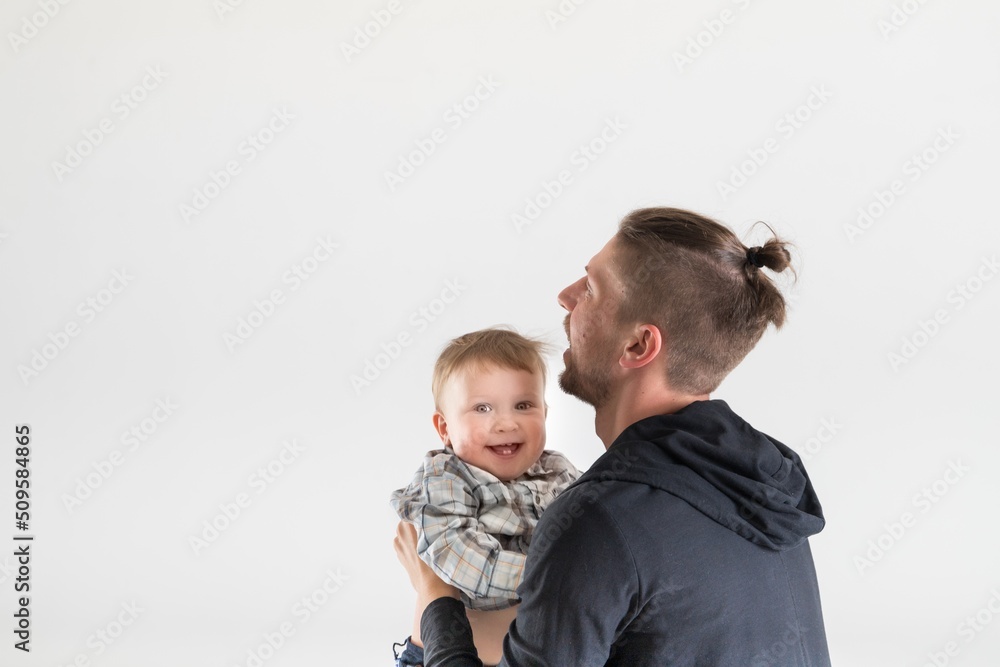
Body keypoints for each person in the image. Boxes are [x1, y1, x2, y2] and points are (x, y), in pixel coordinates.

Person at [394, 207, 832, 666]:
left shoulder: (598, 520)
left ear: (638, 345)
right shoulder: (762, 488)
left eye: (590, 289)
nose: (565, 297)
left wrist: (434, 601)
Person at [390, 327, 581, 667]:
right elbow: (456, 551)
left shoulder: (556, 470)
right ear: (445, 428)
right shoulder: (446, 476)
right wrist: (552, 576)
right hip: (440, 652)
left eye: (523, 405)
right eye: (482, 408)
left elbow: (591, 525)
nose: (506, 423)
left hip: (528, 650)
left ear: (545, 413)